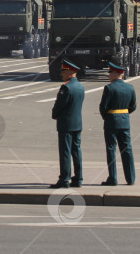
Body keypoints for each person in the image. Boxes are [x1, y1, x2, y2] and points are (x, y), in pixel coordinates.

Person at [99, 62, 137, 186]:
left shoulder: (109, 88)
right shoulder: (130, 88)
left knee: (111, 150)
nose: (109, 75)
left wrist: (108, 116)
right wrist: (124, 114)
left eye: (110, 72)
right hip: (125, 120)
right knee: (127, 150)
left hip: (111, 121)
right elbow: (133, 106)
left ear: (116, 74)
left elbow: (103, 107)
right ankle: (130, 178)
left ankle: (113, 178)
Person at [50, 59, 84, 188]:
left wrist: (54, 114)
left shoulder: (66, 87)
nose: (61, 74)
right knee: (76, 151)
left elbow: (59, 105)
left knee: (65, 151)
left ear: (69, 72)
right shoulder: (80, 86)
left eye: (63, 71)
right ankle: (78, 178)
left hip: (66, 124)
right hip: (77, 123)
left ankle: (64, 179)